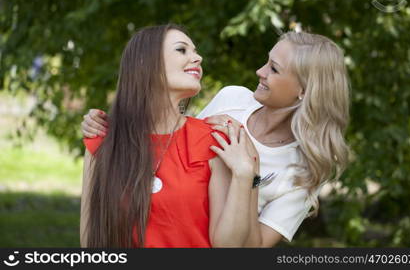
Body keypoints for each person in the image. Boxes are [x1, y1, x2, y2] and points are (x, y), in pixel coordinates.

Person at [82, 31, 350, 247]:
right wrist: (108, 129)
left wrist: (249, 173)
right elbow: (173, 144)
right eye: (266, 61)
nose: (260, 71)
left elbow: (249, 250)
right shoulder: (231, 100)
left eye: (274, 69)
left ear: (303, 91)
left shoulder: (304, 173)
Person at [80, 24, 258, 248]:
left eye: (196, 51)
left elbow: (227, 247)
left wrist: (243, 176)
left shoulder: (213, 140)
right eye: (182, 50)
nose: (198, 58)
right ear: (146, 64)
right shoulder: (103, 140)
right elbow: (90, 242)